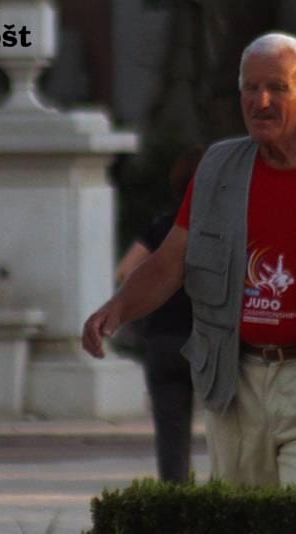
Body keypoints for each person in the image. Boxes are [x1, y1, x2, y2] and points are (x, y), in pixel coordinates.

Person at [83, 32, 296, 491]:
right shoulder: (216, 169)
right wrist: (116, 310)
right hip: (236, 382)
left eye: (278, 88)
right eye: (250, 87)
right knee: (246, 516)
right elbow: (170, 262)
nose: (260, 101)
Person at [114, 147, 204, 483]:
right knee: (230, 430)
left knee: (171, 435)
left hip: (163, 340)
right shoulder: (225, 227)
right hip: (209, 340)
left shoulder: (161, 224)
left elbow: (125, 271)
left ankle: (176, 501)